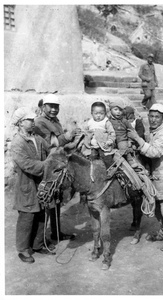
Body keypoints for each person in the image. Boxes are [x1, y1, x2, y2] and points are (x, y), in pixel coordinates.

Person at [128, 103, 163, 251]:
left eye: (157, 117)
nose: (153, 119)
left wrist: (137, 139)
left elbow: (154, 152)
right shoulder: (154, 131)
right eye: (151, 116)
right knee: (158, 210)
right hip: (157, 177)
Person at [11, 107, 56, 263]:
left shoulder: (36, 137)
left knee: (43, 212)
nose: (33, 122)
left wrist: (69, 139)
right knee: (27, 217)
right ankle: (23, 249)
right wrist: (47, 165)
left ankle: (38, 244)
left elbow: (51, 148)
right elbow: (27, 164)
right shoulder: (18, 142)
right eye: (30, 120)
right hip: (27, 185)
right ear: (21, 123)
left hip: (40, 183)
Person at [34, 94, 78, 242]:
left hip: (57, 165)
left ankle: (56, 233)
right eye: (50, 106)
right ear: (43, 107)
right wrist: (67, 136)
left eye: (56, 106)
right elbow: (50, 144)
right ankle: (40, 240)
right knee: (46, 203)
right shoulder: (40, 122)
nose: (54, 109)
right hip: (49, 166)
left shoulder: (55, 121)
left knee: (56, 201)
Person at [83, 101, 116, 168]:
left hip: (104, 146)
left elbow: (112, 133)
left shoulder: (106, 122)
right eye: (96, 113)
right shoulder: (90, 122)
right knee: (91, 158)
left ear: (105, 113)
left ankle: (110, 170)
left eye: (101, 113)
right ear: (92, 113)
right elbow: (85, 132)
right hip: (92, 146)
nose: (98, 115)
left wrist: (110, 140)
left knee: (106, 158)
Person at [108, 99, 138, 169]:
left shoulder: (124, 121)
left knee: (123, 147)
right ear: (110, 110)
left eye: (120, 110)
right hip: (111, 139)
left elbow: (131, 130)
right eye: (115, 109)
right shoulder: (108, 120)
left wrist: (130, 140)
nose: (118, 112)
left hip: (122, 139)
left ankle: (130, 160)